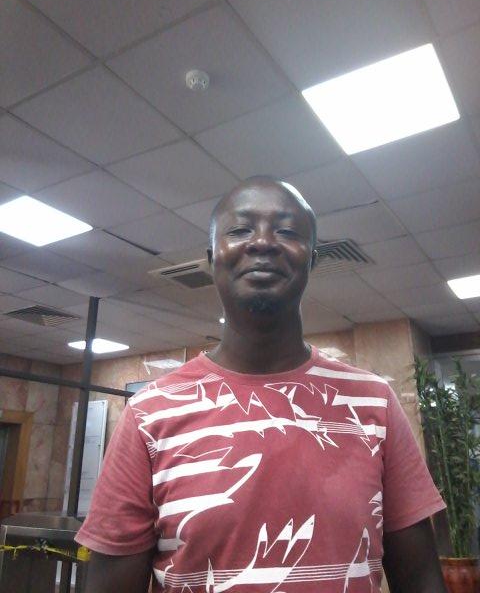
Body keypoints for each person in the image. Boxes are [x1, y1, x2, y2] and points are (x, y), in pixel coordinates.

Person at [76, 176, 448, 593]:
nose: (263, 242)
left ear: (312, 260)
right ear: (211, 257)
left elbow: (421, 578)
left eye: (286, 231)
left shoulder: (374, 401)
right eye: (240, 229)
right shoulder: (149, 413)